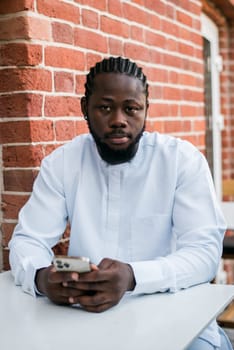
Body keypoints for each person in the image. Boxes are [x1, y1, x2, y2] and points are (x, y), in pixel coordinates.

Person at [9, 56, 232, 349]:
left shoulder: (180, 160)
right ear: (84, 109)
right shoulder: (63, 163)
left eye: (131, 108)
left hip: (173, 313)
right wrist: (41, 278)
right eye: (104, 107)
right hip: (82, 316)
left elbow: (204, 254)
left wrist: (133, 277)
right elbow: (27, 240)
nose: (118, 120)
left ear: (145, 110)